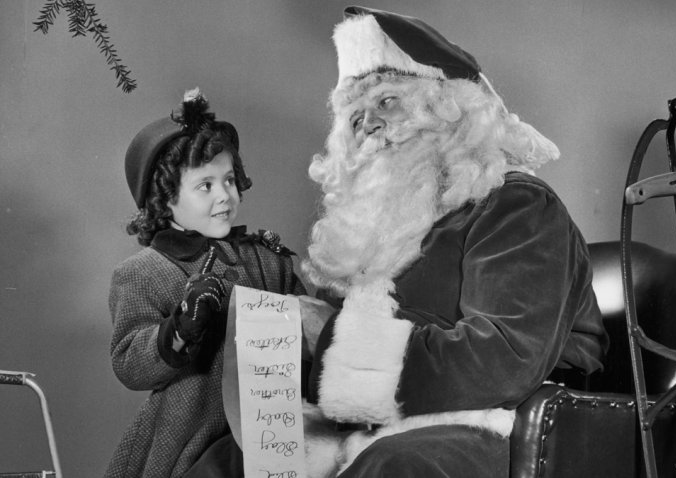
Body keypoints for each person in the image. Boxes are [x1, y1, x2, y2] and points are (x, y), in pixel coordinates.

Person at [300, 6, 609, 477]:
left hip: (505, 423)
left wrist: (328, 339)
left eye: (387, 102)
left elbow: (502, 359)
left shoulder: (514, 205)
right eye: (356, 117)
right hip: (390, 418)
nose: (370, 125)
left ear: (447, 108)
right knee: (239, 455)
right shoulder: (374, 228)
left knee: (392, 466)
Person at [105, 88, 307, 477]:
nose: (224, 196)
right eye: (205, 186)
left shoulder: (269, 260)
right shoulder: (144, 272)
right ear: (164, 200)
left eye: (229, 180)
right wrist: (179, 328)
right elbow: (129, 362)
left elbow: (307, 335)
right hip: (192, 439)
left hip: (274, 431)